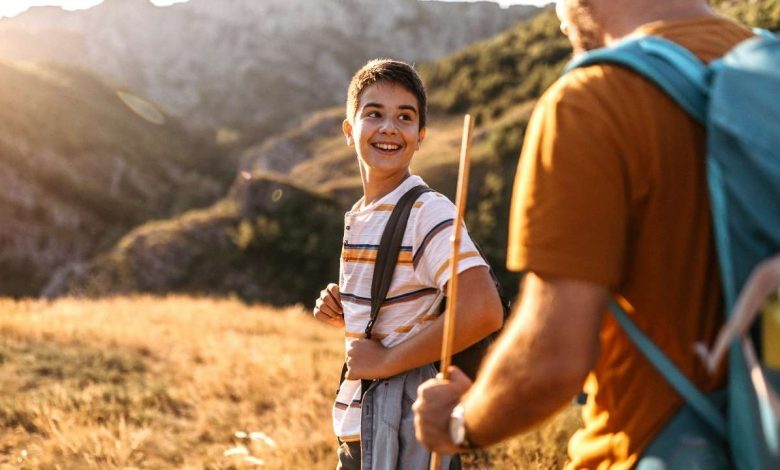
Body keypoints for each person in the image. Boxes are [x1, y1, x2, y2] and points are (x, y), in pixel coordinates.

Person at [413, 0, 753, 468]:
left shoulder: (593, 99)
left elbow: (550, 361)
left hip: (647, 450)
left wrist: (458, 421)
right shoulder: (764, 67)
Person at [311, 58, 503, 470]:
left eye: (405, 117)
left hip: (405, 433)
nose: (389, 128)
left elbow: (483, 310)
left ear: (420, 136)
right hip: (363, 427)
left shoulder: (426, 212)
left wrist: (383, 362)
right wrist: (349, 310)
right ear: (349, 131)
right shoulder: (364, 212)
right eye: (374, 113)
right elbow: (401, 310)